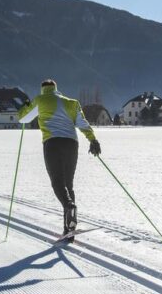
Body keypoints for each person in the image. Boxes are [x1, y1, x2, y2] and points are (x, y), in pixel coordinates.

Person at [17, 79, 101, 242]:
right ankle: (68, 228)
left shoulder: (40, 100)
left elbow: (23, 119)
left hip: (52, 143)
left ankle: (69, 206)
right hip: (71, 143)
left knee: (57, 181)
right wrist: (93, 140)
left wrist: (26, 105)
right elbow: (82, 124)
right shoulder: (72, 103)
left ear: (43, 89)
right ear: (56, 88)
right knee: (68, 184)